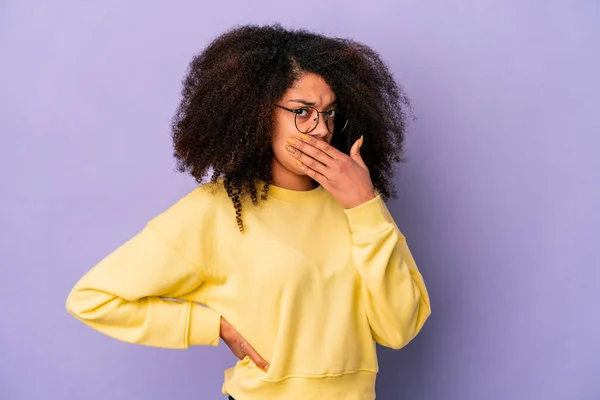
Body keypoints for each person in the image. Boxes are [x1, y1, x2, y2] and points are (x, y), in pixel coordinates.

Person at [65, 24, 431, 400]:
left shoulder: (360, 203)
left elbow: (399, 329)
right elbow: (93, 298)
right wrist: (213, 325)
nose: (321, 130)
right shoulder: (217, 210)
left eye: (329, 113)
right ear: (257, 114)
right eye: (302, 112)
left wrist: (364, 206)